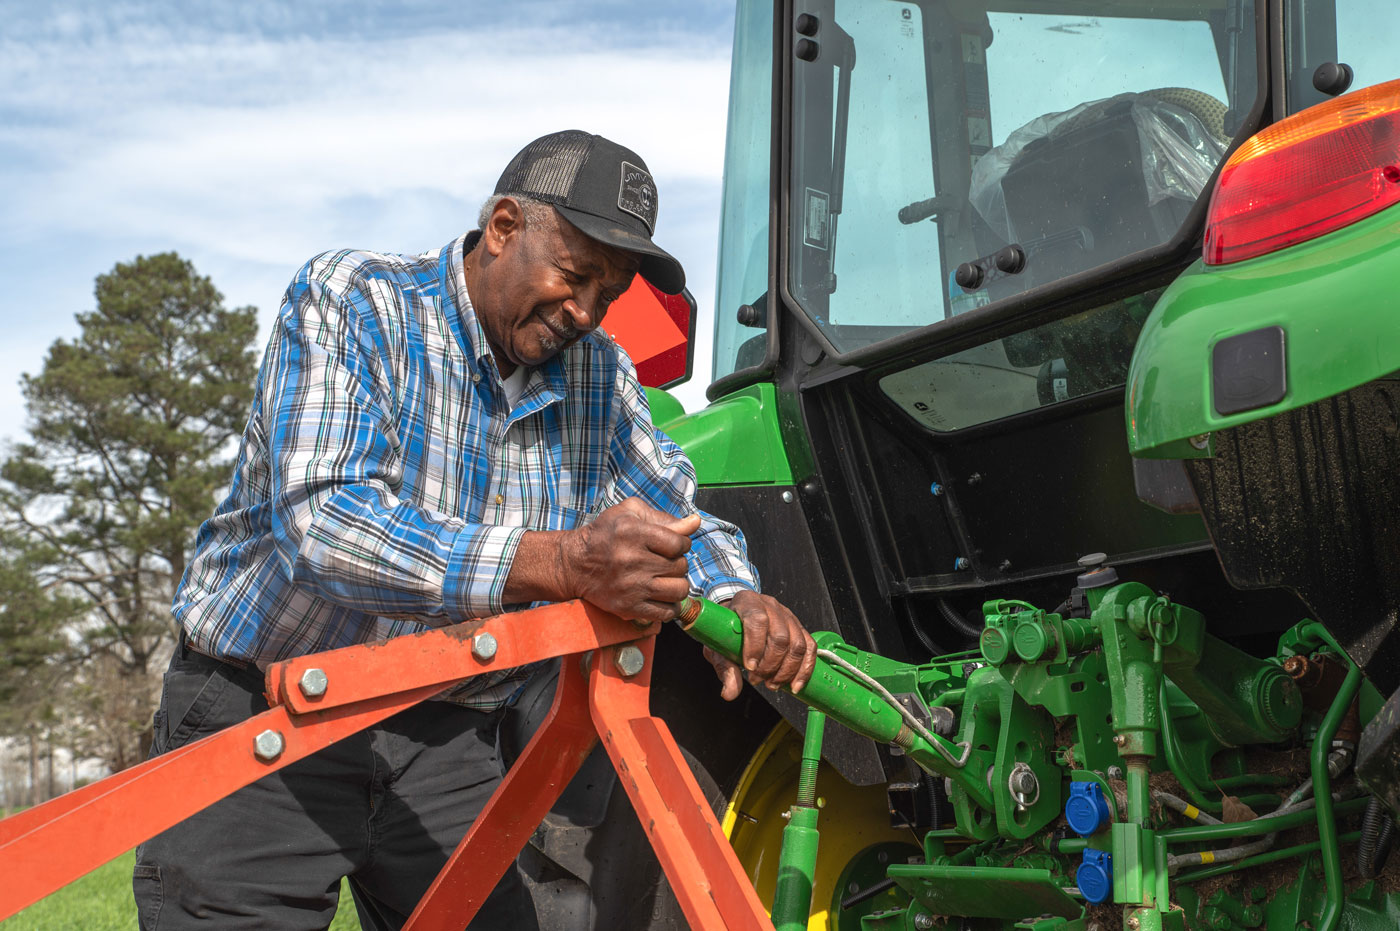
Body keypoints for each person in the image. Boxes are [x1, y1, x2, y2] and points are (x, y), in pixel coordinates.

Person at [132, 129, 816, 930]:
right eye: (576, 274)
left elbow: (672, 506)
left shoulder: (598, 371)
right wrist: (561, 562)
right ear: (502, 227)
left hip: (445, 733)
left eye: (610, 292)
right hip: (269, 714)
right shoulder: (355, 302)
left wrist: (734, 592)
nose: (587, 311)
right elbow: (323, 523)